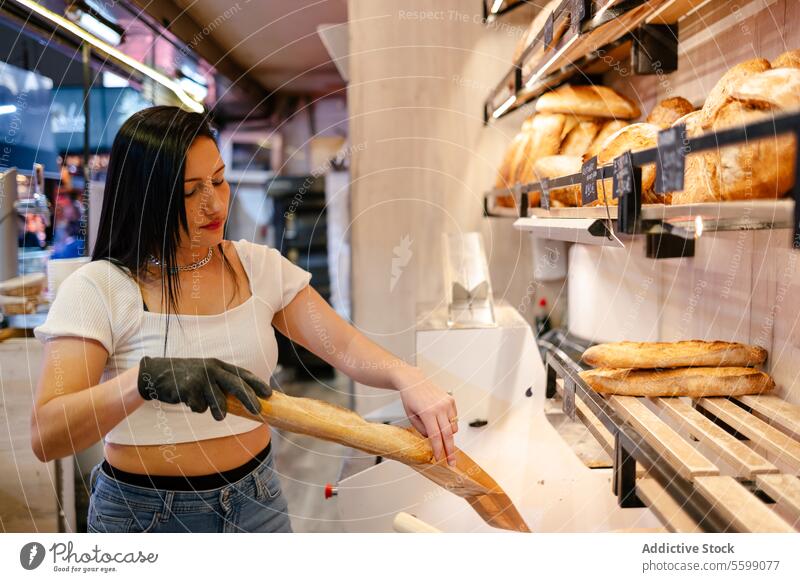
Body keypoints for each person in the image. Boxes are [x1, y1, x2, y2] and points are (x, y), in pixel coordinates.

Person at [30, 106, 459, 533]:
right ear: (147, 198)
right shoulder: (98, 289)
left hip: (257, 503)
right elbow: (47, 436)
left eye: (218, 179)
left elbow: (342, 346)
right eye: (190, 191)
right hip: (146, 517)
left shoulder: (257, 269)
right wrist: (143, 380)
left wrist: (408, 376)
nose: (214, 202)